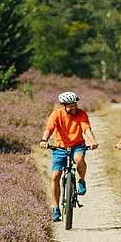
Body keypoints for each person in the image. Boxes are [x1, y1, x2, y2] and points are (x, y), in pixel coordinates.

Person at [40, 91, 98, 222]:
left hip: (77, 145)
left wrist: (93, 141)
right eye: (70, 106)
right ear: (64, 106)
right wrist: (44, 140)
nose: (73, 108)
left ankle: (81, 181)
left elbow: (86, 129)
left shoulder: (81, 114)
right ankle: (55, 208)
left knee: (79, 159)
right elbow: (49, 128)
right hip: (60, 147)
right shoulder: (56, 114)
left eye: (75, 105)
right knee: (55, 176)